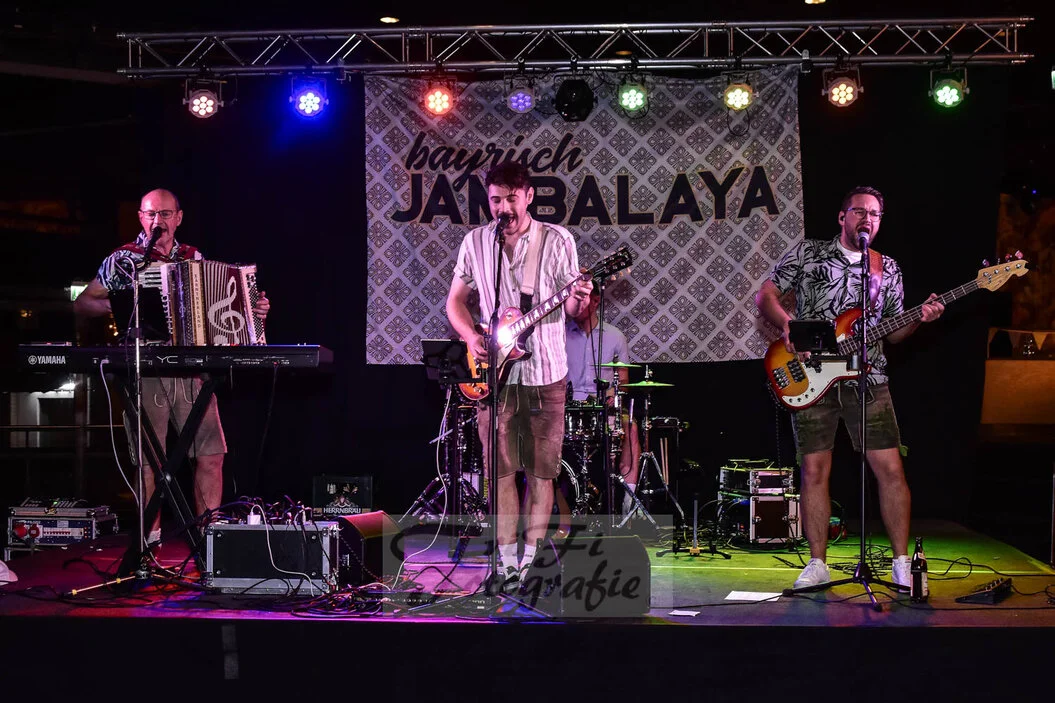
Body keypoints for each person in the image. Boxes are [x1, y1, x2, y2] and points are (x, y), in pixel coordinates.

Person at [754, 185, 944, 589]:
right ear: (843, 217)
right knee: (813, 470)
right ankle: (818, 563)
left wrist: (919, 318)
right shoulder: (808, 253)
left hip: (868, 379)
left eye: (874, 213)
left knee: (890, 469)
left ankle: (901, 563)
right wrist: (788, 326)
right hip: (810, 375)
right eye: (859, 211)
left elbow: (894, 332)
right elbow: (766, 295)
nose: (867, 219)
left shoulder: (886, 268)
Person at [74, 188, 270, 548]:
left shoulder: (194, 258)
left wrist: (252, 311)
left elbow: (217, 311)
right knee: (150, 461)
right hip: (147, 367)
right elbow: (84, 302)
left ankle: (210, 539)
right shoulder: (123, 259)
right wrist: (123, 305)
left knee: (211, 455)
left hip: (192, 369)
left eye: (165, 214)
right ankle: (150, 542)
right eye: (150, 214)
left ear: (178, 218)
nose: (157, 221)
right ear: (140, 217)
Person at [446, 162, 592, 590]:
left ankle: (530, 562)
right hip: (495, 378)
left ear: (528, 197)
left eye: (512, 199)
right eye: (496, 200)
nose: (503, 208)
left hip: (546, 372)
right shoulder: (476, 242)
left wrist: (580, 299)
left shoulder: (557, 239)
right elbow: (456, 301)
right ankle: (506, 562)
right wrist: (471, 335)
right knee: (500, 472)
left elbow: (572, 309)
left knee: (542, 473)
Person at [565, 287, 642, 515]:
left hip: (603, 408)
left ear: (595, 301)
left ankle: (628, 503)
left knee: (631, 428)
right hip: (569, 408)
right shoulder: (560, 335)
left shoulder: (615, 336)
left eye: (580, 299)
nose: (574, 306)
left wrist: (612, 396)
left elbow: (624, 381)